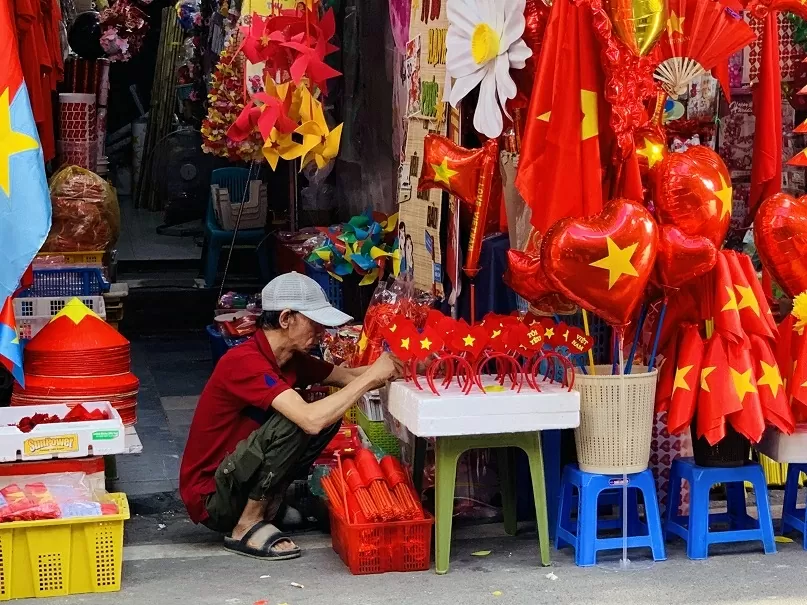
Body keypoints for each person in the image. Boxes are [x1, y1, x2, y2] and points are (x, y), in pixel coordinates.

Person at [180, 272, 403, 560]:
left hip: (236, 476)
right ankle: (247, 523)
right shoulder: (243, 362)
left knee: (327, 410)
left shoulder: (290, 358)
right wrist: (373, 376)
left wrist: (405, 367)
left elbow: (347, 377)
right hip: (213, 496)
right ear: (286, 319)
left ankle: (269, 502)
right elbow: (310, 419)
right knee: (301, 418)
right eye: (314, 322)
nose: (321, 331)